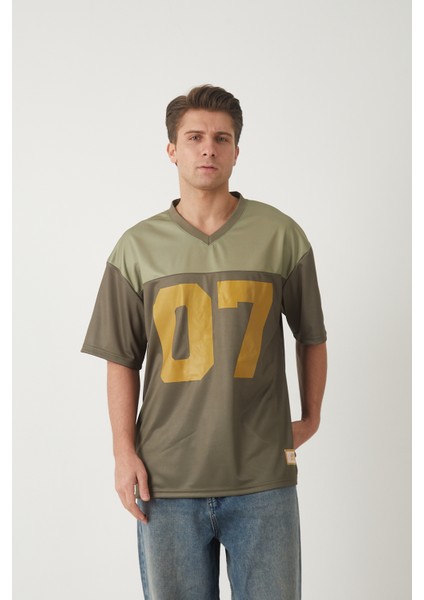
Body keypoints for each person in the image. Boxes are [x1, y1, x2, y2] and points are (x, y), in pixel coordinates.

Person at [82, 84, 327, 600]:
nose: (208, 149)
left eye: (221, 138)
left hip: (263, 479)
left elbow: (311, 335)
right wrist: (123, 453)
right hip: (166, 480)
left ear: (237, 150)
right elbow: (121, 358)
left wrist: (311, 418)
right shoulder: (136, 247)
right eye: (194, 137)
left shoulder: (281, 235)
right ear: (172, 149)